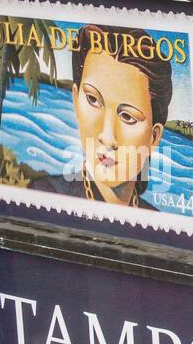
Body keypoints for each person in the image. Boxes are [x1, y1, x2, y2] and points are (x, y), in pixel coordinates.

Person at [28, 23, 173, 209]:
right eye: (93, 100)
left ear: (154, 136)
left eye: (128, 117)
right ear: (75, 99)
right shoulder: (46, 197)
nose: (107, 136)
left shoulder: (157, 222)